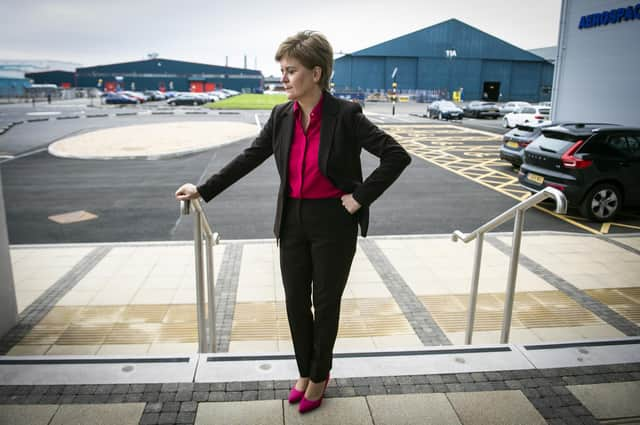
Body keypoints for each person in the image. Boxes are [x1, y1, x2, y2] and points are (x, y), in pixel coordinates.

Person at [175, 30, 410, 414]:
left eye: (290, 71)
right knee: (295, 302)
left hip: (334, 220)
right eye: (282, 71)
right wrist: (203, 189)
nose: (283, 79)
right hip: (292, 219)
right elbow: (249, 157)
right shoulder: (281, 115)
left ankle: (319, 376)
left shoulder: (346, 115)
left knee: (326, 302)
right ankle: (305, 370)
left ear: (316, 73)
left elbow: (396, 156)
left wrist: (360, 198)